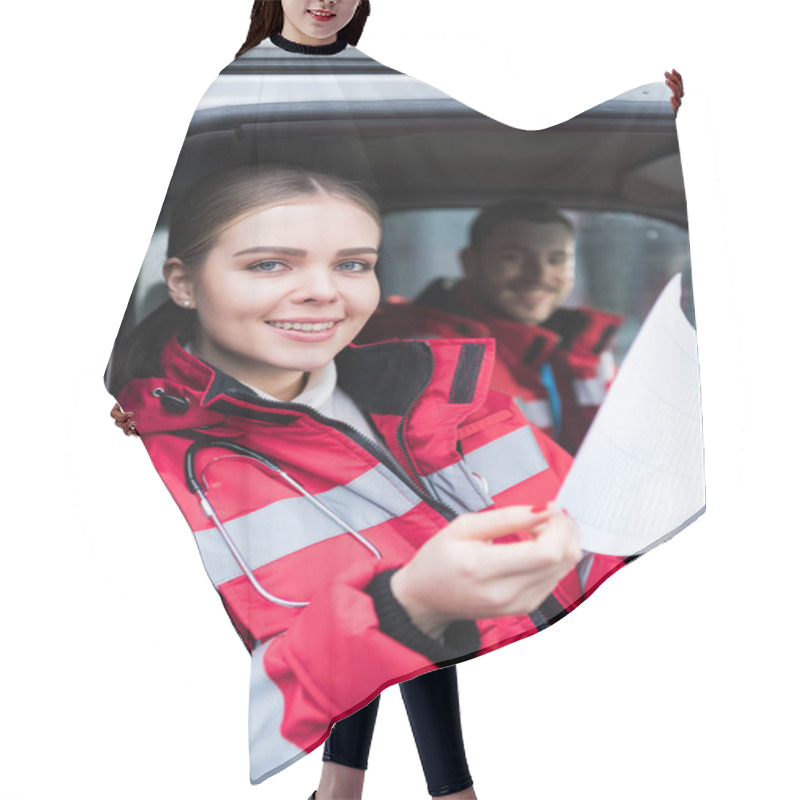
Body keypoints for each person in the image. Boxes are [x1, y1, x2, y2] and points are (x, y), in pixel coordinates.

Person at [108, 164, 624, 795]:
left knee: (394, 614)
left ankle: (354, 785)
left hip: (478, 615)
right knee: (392, 612)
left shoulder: (456, 392)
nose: (323, 291)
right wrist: (411, 603)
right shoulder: (139, 437)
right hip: (347, 651)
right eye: (269, 263)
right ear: (184, 284)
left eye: (353, 264)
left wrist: (665, 113)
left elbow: (595, 514)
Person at [358, 200, 624, 454]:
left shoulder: (583, 347)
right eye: (514, 258)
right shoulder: (430, 353)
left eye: (556, 260)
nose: (539, 276)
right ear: (470, 263)